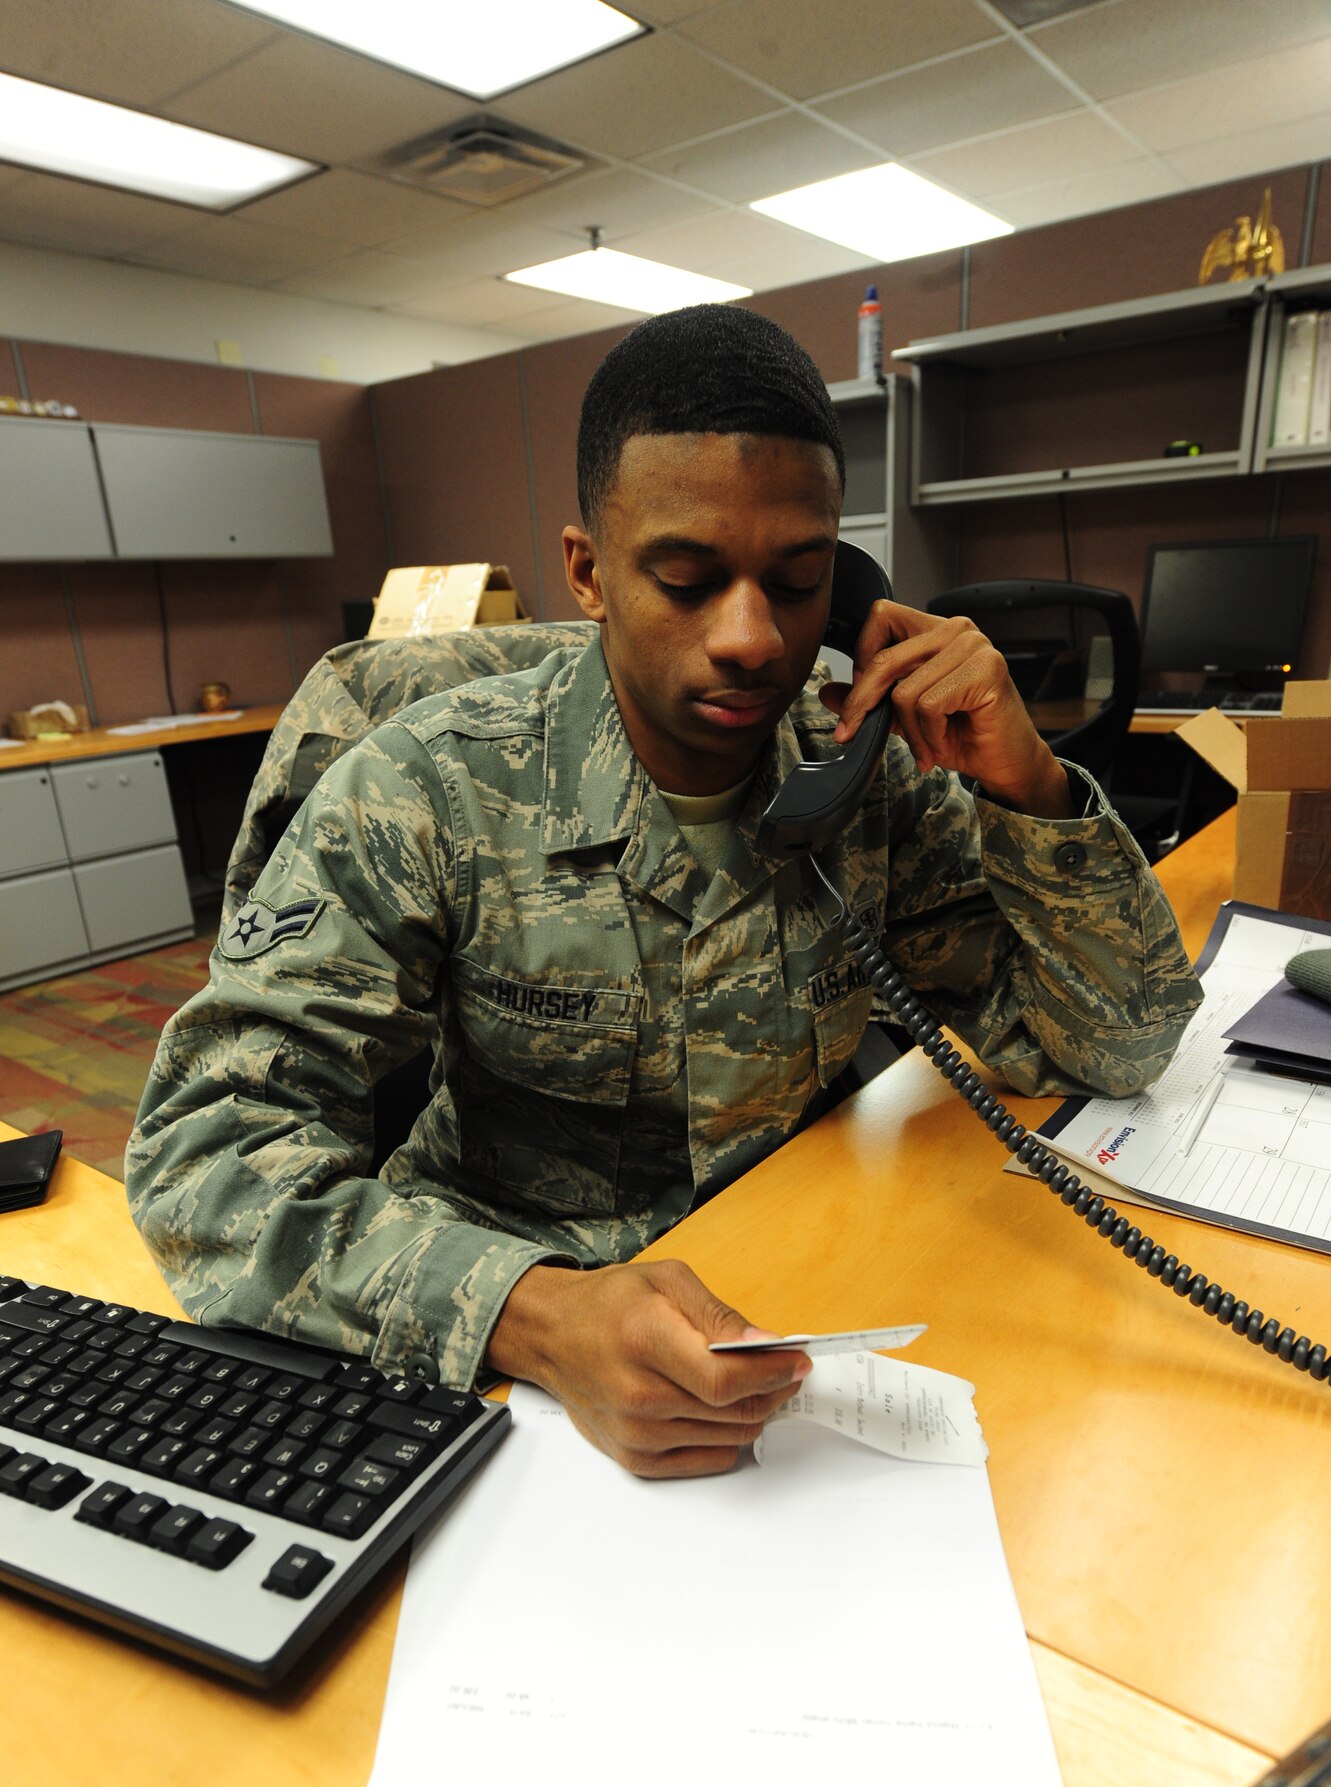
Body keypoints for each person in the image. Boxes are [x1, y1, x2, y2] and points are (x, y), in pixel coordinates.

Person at [127, 305, 1202, 1479]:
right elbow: (204, 1157)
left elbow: (1119, 1043)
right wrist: (534, 1314)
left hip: (789, 1330)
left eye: (796, 585)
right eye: (685, 580)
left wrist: (1032, 788)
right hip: (499, 1361)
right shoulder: (426, 787)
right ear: (587, 571)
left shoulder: (870, 779)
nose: (749, 637)